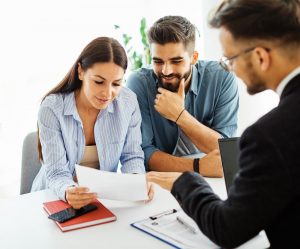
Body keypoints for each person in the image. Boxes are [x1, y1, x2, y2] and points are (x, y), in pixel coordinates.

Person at [147, 0, 300, 248]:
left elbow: (227, 229)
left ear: (260, 57)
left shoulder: (270, 136)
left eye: (230, 58)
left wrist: (184, 180)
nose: (231, 68)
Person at [31, 37, 153, 209]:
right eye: (99, 81)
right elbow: (57, 172)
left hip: (100, 201)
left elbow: (132, 155)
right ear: (80, 71)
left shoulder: (128, 102)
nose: (108, 93)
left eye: (116, 84)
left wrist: (136, 183)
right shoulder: (52, 108)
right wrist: (69, 191)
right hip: (54, 197)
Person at [127, 16, 239, 177]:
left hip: (213, 177)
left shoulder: (221, 78)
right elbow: (142, 152)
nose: (166, 71)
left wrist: (179, 115)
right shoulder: (139, 83)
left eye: (176, 61)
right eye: (158, 61)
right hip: (162, 178)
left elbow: (226, 150)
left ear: (194, 57)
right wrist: (197, 166)